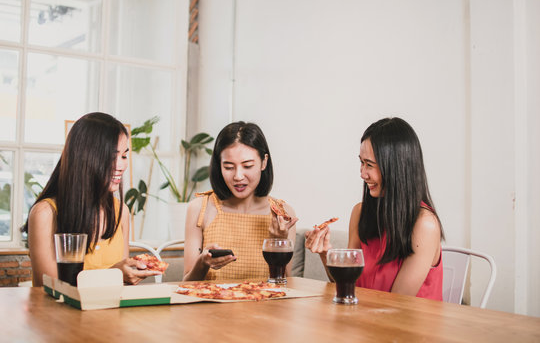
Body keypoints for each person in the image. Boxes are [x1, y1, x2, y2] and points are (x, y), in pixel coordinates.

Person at [305, 117, 444, 300]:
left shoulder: (425, 225)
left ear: (396, 168)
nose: (362, 174)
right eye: (361, 163)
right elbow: (347, 288)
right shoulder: (360, 212)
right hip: (366, 322)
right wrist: (325, 254)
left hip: (407, 325)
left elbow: (396, 305)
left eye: (369, 165)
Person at [25, 112, 159, 286]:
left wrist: (129, 275)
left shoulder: (121, 211)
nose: (121, 166)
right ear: (85, 159)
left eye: (124, 156)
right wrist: (113, 274)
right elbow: (49, 290)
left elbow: (122, 286)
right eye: (111, 157)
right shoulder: (45, 213)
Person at [183, 121, 298, 281]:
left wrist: (277, 242)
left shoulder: (283, 214)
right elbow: (186, 284)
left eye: (248, 166)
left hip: (265, 305)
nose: (238, 176)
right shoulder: (199, 208)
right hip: (211, 305)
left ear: (264, 162)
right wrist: (203, 262)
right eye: (229, 167)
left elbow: (287, 284)